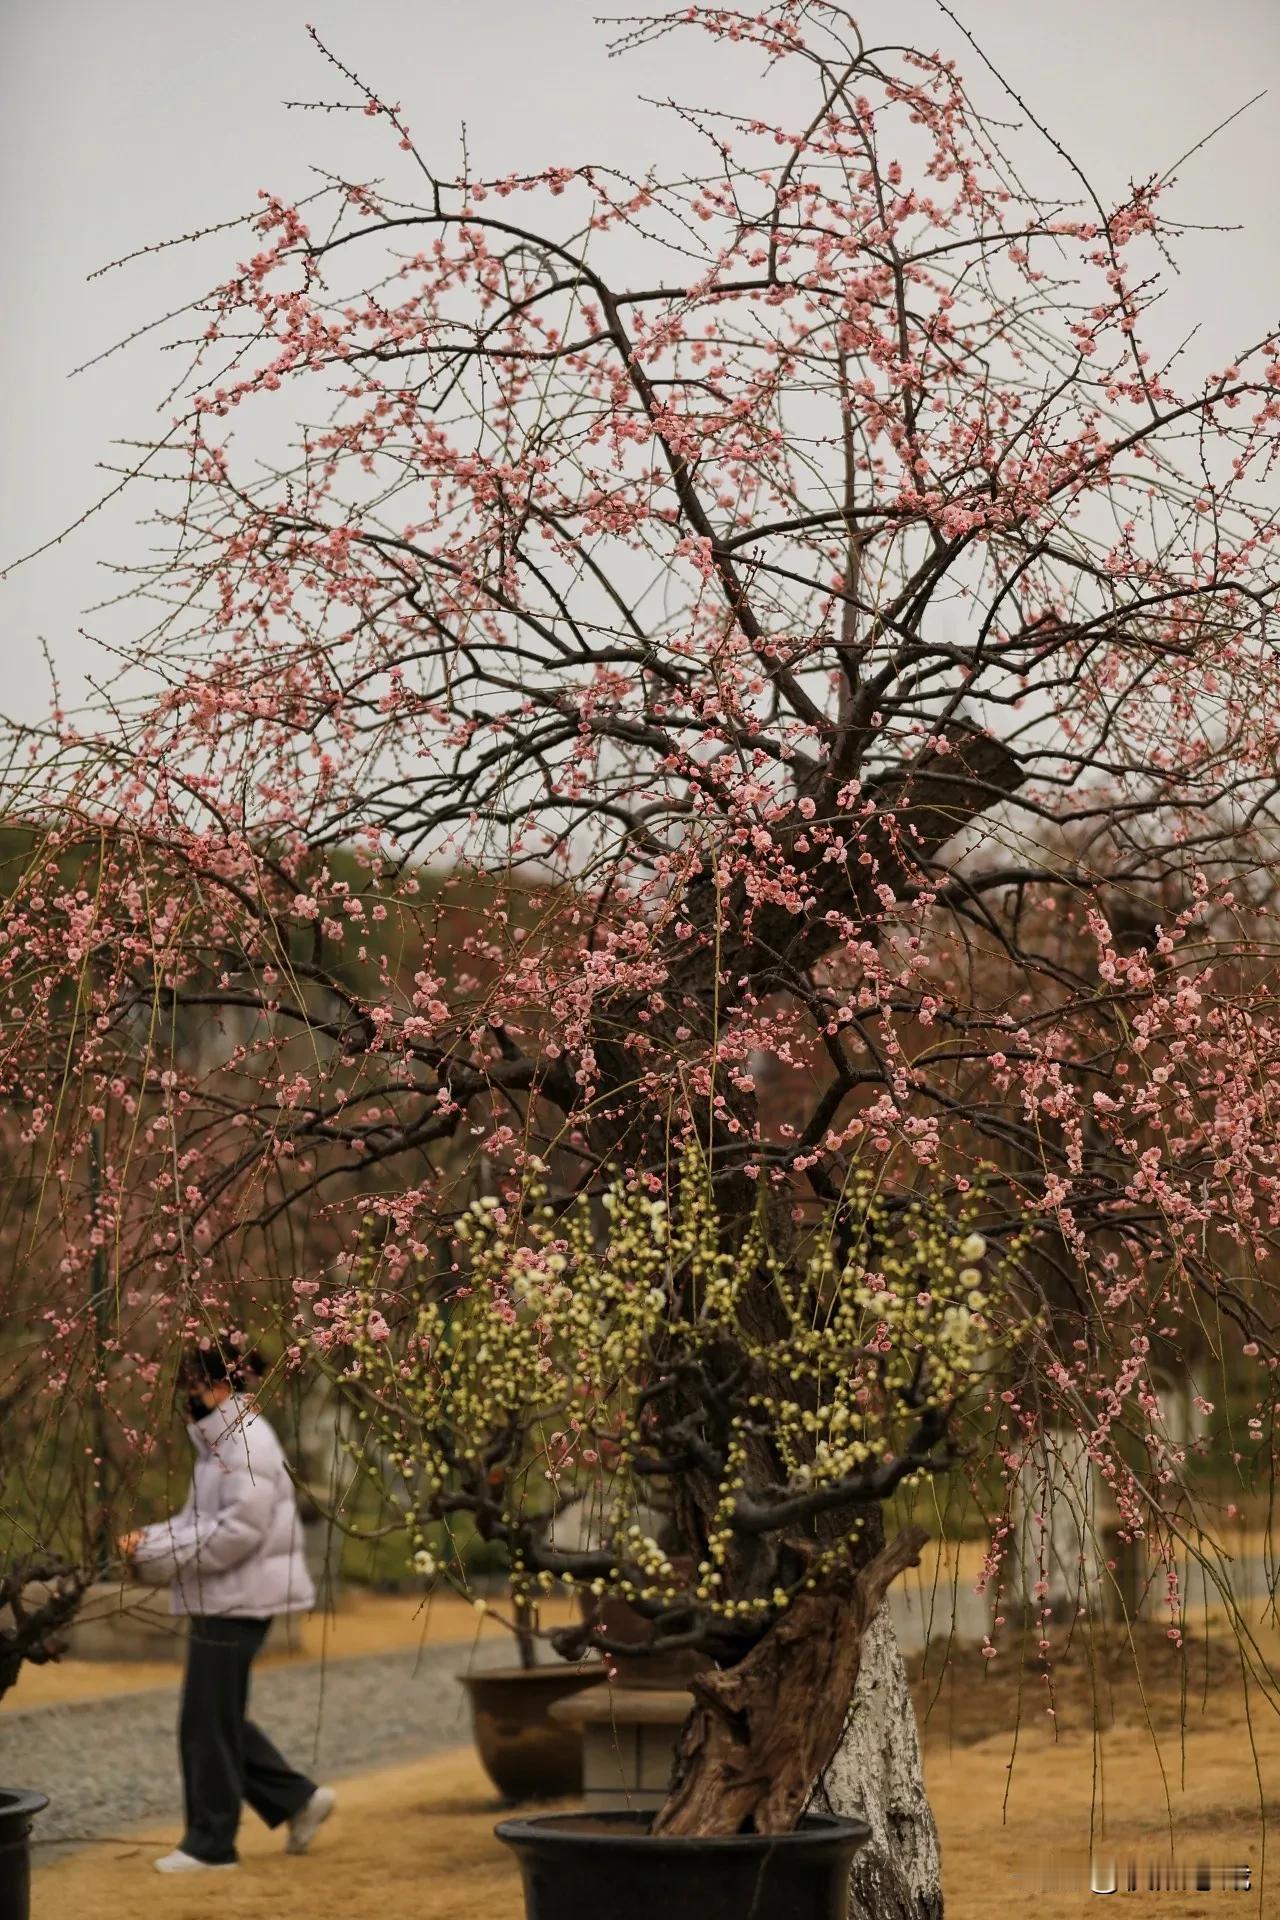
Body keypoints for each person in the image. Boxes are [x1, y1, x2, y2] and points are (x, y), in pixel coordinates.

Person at [120, 1342, 335, 1874]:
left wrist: (153, 1553)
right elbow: (201, 1521)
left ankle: (211, 1846)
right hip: (232, 1596)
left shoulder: (245, 1445)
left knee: (205, 1723)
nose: (184, 1398)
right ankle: (297, 1800)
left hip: (239, 1601)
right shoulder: (224, 1442)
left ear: (217, 1386)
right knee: (217, 1718)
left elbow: (236, 1533)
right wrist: (147, 1540)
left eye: (190, 1386)